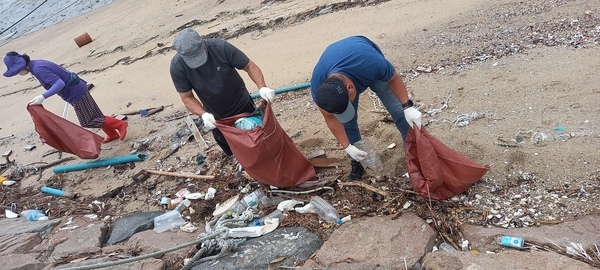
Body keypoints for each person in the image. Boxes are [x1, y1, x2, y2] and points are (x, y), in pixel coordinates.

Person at [310, 35, 422, 180]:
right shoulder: (320, 91)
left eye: (347, 104)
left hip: (363, 62)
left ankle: (415, 152)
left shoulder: (372, 64)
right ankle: (358, 161)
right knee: (347, 123)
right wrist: (347, 147)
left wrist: (408, 107)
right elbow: (330, 118)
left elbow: (393, 78)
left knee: (398, 111)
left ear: (351, 88)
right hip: (339, 68)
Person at [169, 28, 275, 156]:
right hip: (215, 115)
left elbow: (249, 66)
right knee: (230, 148)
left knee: (257, 138)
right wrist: (203, 114)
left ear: (202, 43)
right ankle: (241, 162)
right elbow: (187, 97)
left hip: (241, 102)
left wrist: (262, 87)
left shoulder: (221, 47)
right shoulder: (177, 66)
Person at [3, 51, 128, 143]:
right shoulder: (36, 65)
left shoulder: (39, 69)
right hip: (76, 88)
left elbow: (59, 83)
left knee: (88, 121)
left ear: (23, 65)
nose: (18, 73)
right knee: (95, 114)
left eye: (18, 70)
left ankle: (119, 124)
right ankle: (112, 134)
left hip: (76, 92)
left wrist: (43, 96)